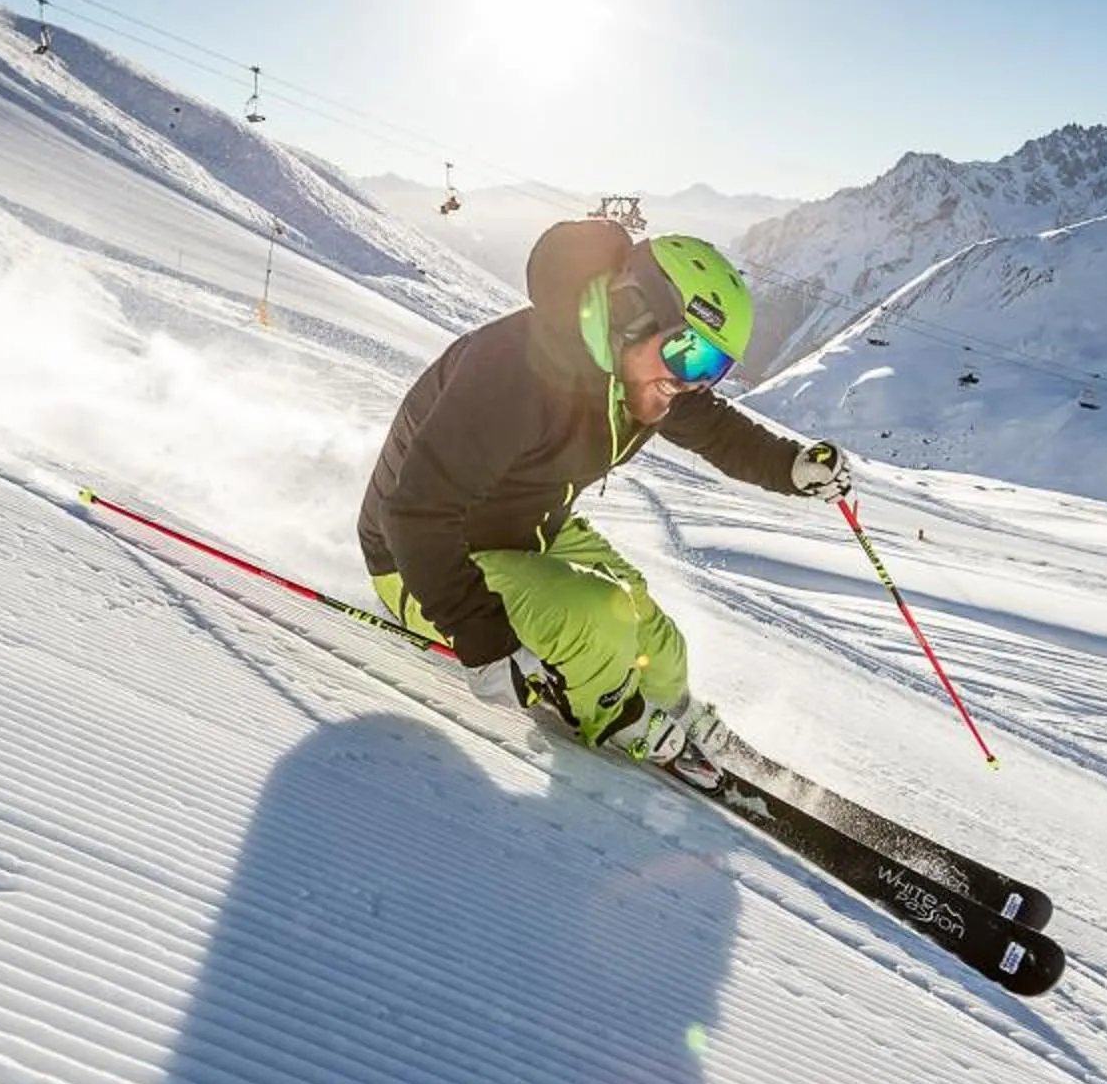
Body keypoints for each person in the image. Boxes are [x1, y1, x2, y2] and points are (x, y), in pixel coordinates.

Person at [358, 218, 853, 783]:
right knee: (594, 621)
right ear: (629, 312)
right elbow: (415, 514)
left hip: (523, 526)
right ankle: (615, 712)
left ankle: (675, 707)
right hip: (419, 562)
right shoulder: (514, 370)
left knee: (648, 627)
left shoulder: (632, 370)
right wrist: (484, 638)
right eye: (690, 355)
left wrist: (789, 466)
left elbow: (713, 429)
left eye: (713, 369)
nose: (694, 383)